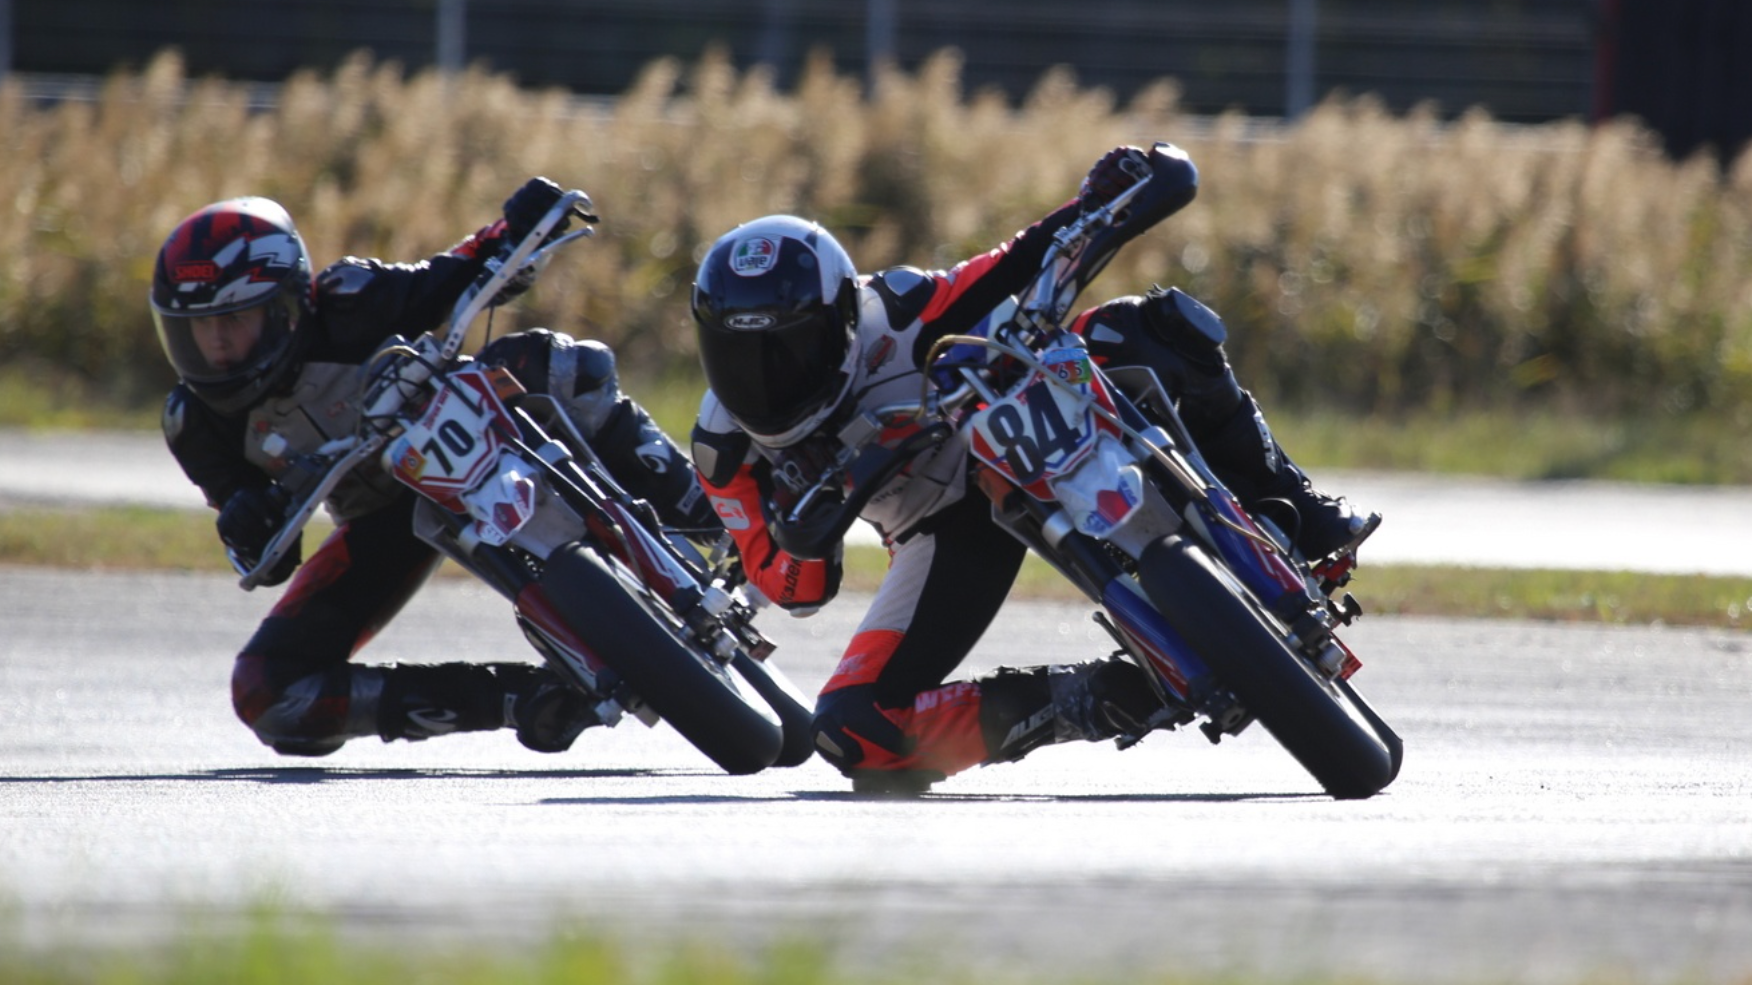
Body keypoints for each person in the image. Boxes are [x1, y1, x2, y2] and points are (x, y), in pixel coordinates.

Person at [687, 145, 1380, 792]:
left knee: (1140, 327)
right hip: (946, 527)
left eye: (789, 348)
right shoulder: (724, 447)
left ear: (842, 317)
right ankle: (1085, 700)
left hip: (1017, 410)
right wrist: (800, 524)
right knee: (851, 732)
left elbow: (1019, 261)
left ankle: (1299, 511)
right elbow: (796, 588)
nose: (764, 378)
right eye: (737, 354)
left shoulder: (898, 312)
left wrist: (1108, 197)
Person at [151, 179, 719, 757]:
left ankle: (710, 515)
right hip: (383, 518)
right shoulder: (194, 423)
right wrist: (245, 522)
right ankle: (521, 698)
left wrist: (516, 231)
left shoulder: (350, 299)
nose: (215, 346)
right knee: (270, 695)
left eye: (233, 321)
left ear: (287, 307)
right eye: (197, 327)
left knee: (553, 362)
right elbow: (267, 559)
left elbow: (456, 273)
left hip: (473, 428)